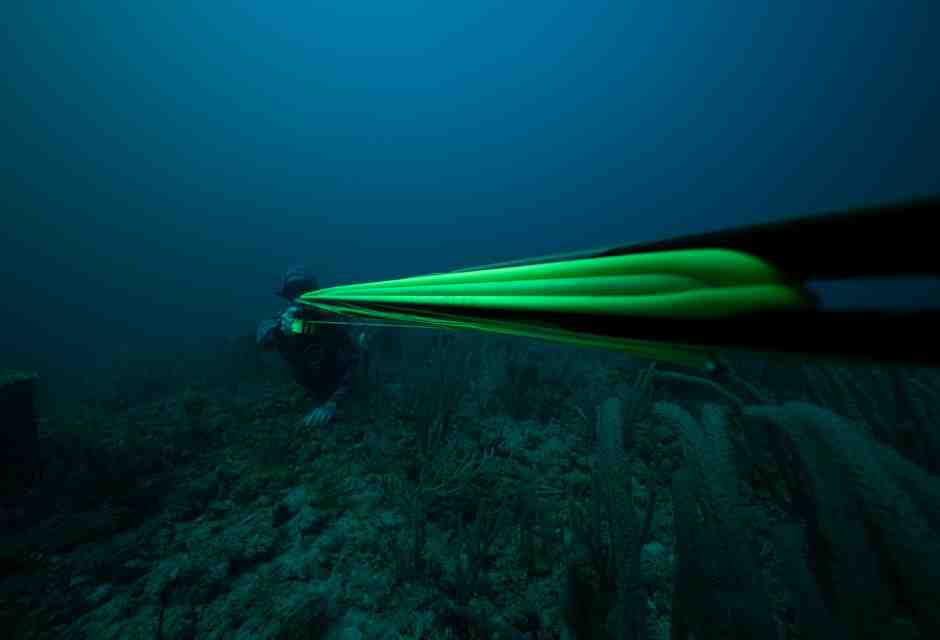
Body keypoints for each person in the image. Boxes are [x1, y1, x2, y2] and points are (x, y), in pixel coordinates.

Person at [256, 267, 360, 427]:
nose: (299, 298)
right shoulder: (283, 322)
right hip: (311, 387)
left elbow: (355, 361)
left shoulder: (332, 320)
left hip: (342, 388)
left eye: (305, 291)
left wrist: (332, 403)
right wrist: (280, 331)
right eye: (293, 293)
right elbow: (263, 339)